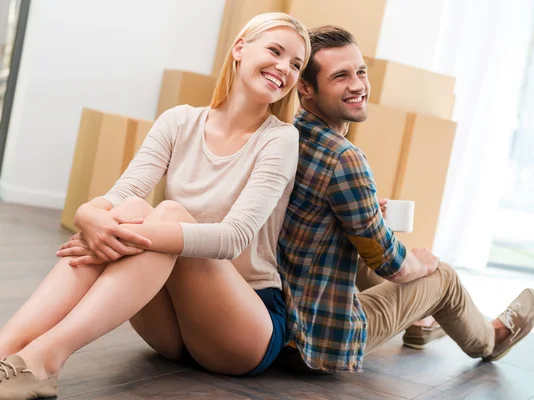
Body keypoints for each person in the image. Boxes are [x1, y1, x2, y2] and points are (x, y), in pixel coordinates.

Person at [0, 12, 310, 399]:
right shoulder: (179, 121)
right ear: (240, 48)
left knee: (164, 215)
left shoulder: (280, 140)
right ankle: (5, 347)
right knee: (129, 209)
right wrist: (89, 217)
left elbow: (232, 239)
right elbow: (119, 194)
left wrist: (115, 229)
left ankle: (45, 360)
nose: (284, 68)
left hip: (243, 326)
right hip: (172, 330)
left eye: (296, 64)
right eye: (276, 51)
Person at [276, 25, 534, 373]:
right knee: (441, 276)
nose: (358, 85)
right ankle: (491, 339)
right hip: (322, 338)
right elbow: (392, 264)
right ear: (306, 88)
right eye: (340, 76)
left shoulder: (285, 137)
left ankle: (422, 322)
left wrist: (369, 214)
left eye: (360, 71)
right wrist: (422, 263)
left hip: (281, 323)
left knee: (362, 248)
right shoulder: (344, 157)